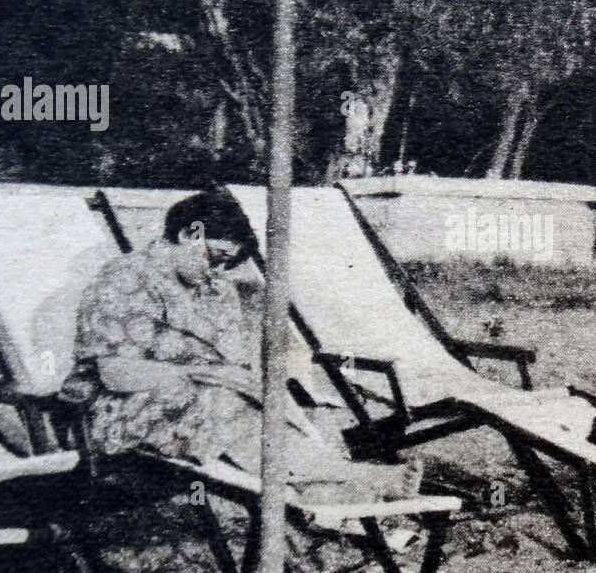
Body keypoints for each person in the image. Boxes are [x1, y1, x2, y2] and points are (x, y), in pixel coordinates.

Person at [63, 189, 421, 504]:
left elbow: (233, 363)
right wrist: (205, 375)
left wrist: (240, 381)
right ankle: (357, 476)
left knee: (295, 409)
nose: (216, 272)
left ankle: (323, 489)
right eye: (215, 257)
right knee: (226, 405)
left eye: (226, 264)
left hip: (206, 402)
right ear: (191, 232)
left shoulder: (215, 287)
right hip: (125, 409)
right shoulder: (124, 279)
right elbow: (116, 373)